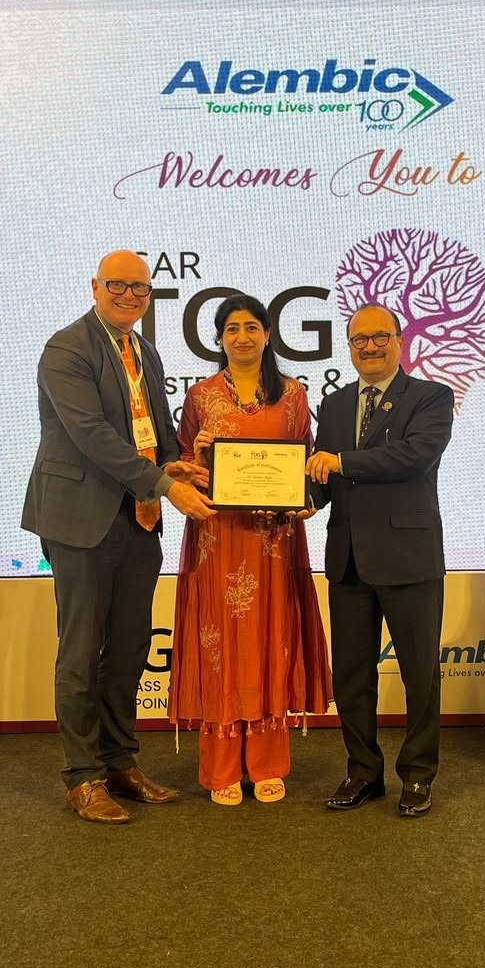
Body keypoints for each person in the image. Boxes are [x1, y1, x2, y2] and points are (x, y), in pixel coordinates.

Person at [22, 250, 214, 825]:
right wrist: (162, 483)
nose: (130, 295)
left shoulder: (143, 350)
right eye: (118, 285)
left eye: (139, 288)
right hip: (82, 519)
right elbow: (90, 434)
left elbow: (152, 425)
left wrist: (174, 464)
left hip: (139, 517)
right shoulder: (67, 348)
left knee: (130, 646)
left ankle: (119, 763)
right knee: (82, 650)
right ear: (95, 286)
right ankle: (81, 777)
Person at [168, 294, 332, 805]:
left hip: (273, 541)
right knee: (219, 646)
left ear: (267, 335)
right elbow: (183, 465)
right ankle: (221, 767)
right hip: (217, 538)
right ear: (219, 339)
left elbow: (304, 462)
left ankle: (266, 763)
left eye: (251, 327)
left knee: (270, 640)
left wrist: (302, 500)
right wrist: (194, 465)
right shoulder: (199, 396)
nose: (242, 336)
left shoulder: (294, 394)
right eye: (232, 328)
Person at [306, 303, 454, 817]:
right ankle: (363, 771)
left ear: (399, 341)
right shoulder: (333, 404)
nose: (369, 347)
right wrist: (298, 500)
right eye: (359, 340)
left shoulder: (431, 396)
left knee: (419, 673)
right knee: (351, 676)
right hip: (348, 558)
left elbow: (413, 456)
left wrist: (340, 462)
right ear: (349, 347)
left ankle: (418, 775)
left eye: (379, 337)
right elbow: (321, 477)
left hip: (408, 557)